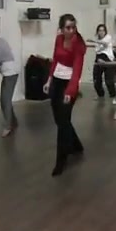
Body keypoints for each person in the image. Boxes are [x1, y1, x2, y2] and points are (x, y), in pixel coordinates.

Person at [43, 14, 87, 176]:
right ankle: (76, 145)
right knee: (60, 119)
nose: (71, 30)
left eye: (73, 27)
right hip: (57, 81)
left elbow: (77, 69)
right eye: (68, 27)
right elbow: (55, 60)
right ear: (61, 29)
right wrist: (49, 80)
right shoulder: (59, 39)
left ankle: (61, 161)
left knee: (62, 123)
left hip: (69, 84)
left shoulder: (78, 44)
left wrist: (70, 91)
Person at [88, 24, 116, 101]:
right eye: (99, 30)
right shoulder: (97, 39)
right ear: (97, 32)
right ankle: (100, 95)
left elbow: (105, 43)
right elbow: (98, 50)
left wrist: (93, 41)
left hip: (108, 60)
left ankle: (113, 97)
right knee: (96, 80)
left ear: (105, 31)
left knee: (109, 81)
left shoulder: (108, 37)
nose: (101, 32)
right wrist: (96, 41)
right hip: (99, 58)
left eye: (103, 30)